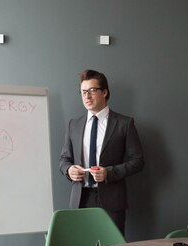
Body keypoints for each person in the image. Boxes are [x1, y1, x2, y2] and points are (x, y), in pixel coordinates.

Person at [59, 69, 144, 235]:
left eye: (92, 91)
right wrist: (69, 170)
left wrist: (109, 173)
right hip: (80, 199)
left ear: (104, 92)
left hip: (112, 200)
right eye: (83, 92)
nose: (87, 96)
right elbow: (64, 159)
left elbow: (138, 161)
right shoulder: (73, 125)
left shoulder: (124, 124)